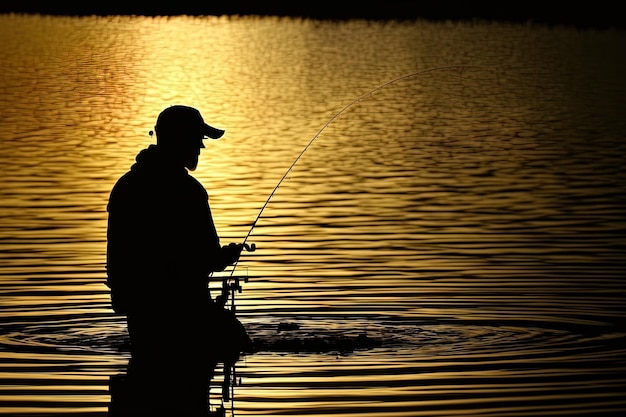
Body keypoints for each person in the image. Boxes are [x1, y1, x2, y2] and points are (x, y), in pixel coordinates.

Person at [106, 105, 249, 416]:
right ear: (180, 140)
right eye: (198, 139)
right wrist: (229, 254)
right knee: (239, 343)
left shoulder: (125, 187)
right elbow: (208, 257)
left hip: (141, 315)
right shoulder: (188, 192)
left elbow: (117, 258)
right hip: (185, 314)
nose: (201, 146)